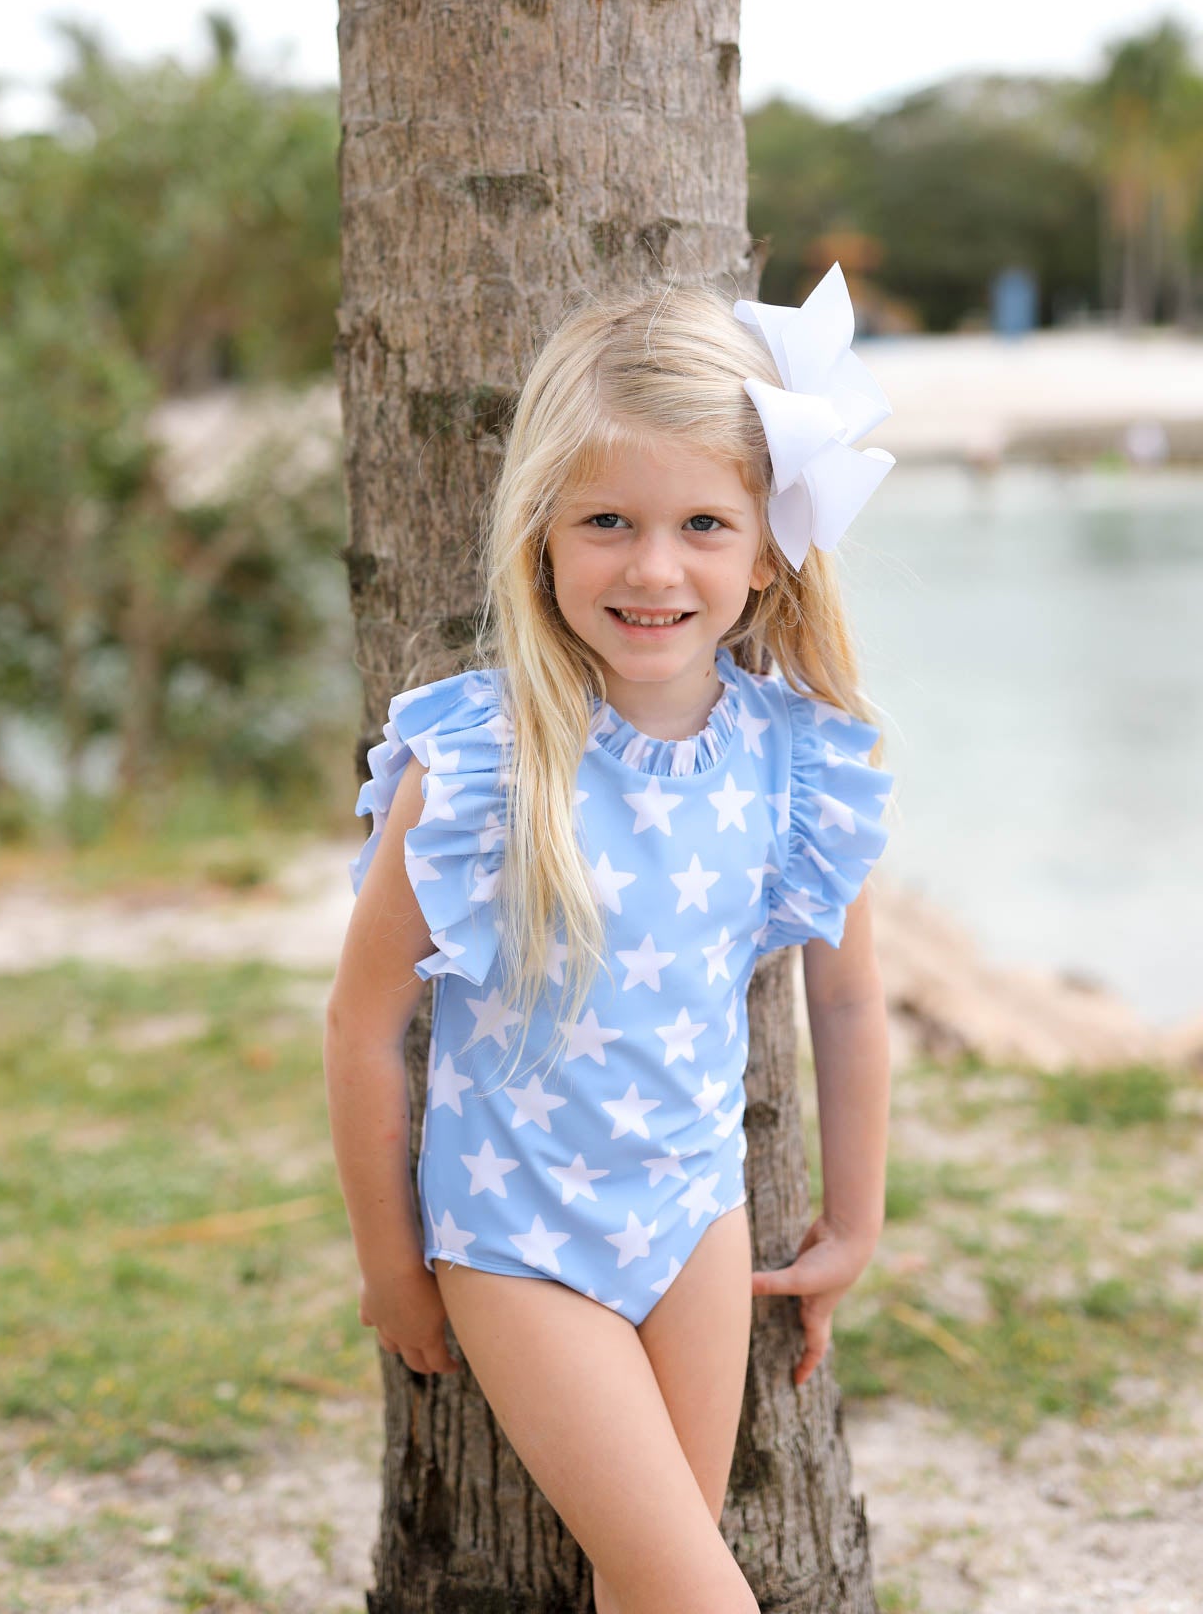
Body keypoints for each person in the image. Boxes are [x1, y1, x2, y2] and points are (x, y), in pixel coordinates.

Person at [325, 264, 897, 1614]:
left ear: (767, 546)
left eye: (703, 521)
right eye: (606, 521)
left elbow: (852, 1005)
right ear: (542, 536)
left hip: (696, 1221)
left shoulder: (796, 760)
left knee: (649, 1593)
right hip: (518, 1247)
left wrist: (853, 1223)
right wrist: (391, 1265)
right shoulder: (477, 766)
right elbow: (363, 1021)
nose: (653, 566)